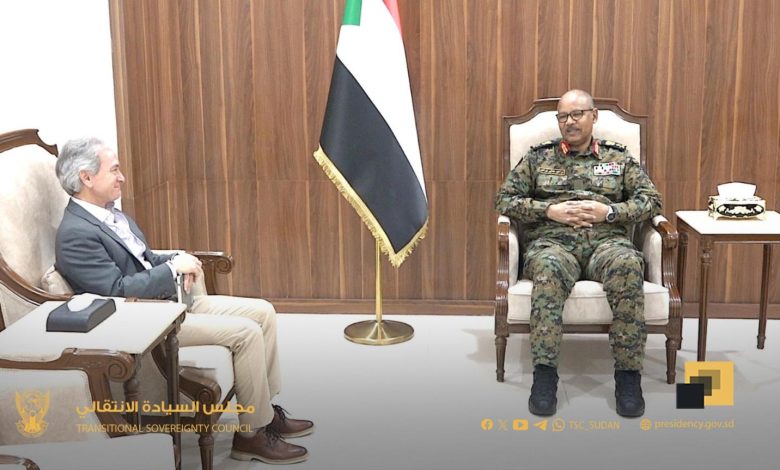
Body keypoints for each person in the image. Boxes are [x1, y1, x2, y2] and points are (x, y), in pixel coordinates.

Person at [54, 137, 313, 464]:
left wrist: (180, 260)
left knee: (263, 312)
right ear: (86, 177)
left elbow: (145, 259)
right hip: (147, 322)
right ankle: (251, 437)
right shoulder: (76, 233)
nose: (122, 177)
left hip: (171, 303)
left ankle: (265, 413)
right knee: (245, 333)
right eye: (114, 170)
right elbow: (115, 289)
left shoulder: (110, 214)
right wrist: (172, 270)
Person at [494, 89, 662, 418]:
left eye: (576, 114)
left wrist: (609, 212)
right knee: (548, 268)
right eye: (562, 117)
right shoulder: (538, 157)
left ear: (593, 116)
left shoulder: (618, 157)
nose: (569, 122)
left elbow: (651, 201)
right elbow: (504, 200)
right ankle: (544, 376)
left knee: (629, 264)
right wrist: (549, 211)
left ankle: (628, 378)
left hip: (607, 243)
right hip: (553, 243)